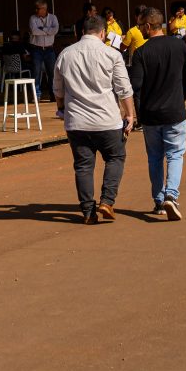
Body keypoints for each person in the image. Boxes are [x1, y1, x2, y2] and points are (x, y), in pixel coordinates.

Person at [53, 14, 135, 224]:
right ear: (103, 33)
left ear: (81, 32)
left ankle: (88, 212)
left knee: (83, 166)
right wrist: (130, 115)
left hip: (77, 122)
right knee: (115, 158)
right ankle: (107, 201)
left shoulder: (65, 54)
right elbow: (124, 89)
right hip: (107, 120)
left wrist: (61, 108)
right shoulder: (111, 54)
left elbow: (58, 90)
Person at [128, 7, 186, 220]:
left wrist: (137, 114)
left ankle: (158, 201)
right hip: (175, 111)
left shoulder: (141, 53)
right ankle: (171, 195)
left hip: (150, 114)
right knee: (175, 154)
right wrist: (180, 99)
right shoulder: (179, 46)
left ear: (148, 26)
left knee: (155, 157)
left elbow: (135, 87)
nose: (140, 30)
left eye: (140, 26)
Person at [28, 0, 60, 100]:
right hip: (36, 49)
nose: (36, 10)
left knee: (52, 73)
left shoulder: (53, 17)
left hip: (49, 49)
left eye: (38, 8)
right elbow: (34, 31)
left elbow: (55, 30)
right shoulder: (32, 18)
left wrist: (42, 29)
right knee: (36, 72)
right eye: (36, 8)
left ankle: (53, 95)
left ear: (44, 9)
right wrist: (48, 31)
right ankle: (36, 95)